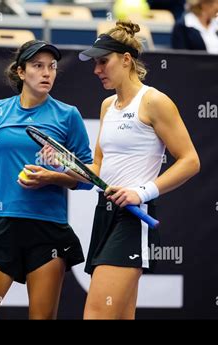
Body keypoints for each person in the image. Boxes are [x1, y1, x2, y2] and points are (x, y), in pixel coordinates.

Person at [0, 40, 93, 319]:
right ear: (21, 72)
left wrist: (52, 177)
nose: (47, 73)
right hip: (1, 229)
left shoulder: (68, 116)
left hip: (48, 233)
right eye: (38, 66)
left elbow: (88, 178)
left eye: (52, 67)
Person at [78, 20, 200, 319]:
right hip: (103, 215)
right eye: (95, 63)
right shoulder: (107, 105)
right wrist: (61, 169)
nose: (97, 70)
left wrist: (140, 192)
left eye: (103, 62)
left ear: (126, 59)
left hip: (132, 222)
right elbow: (98, 167)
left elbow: (190, 160)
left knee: (96, 314)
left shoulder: (155, 101)